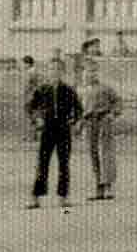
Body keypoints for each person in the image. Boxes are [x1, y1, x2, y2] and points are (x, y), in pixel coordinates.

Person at [28, 54, 83, 209]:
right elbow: (30, 107)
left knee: (64, 163)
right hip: (47, 129)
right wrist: (37, 119)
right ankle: (36, 197)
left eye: (58, 69)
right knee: (42, 163)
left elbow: (79, 109)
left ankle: (63, 196)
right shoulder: (41, 89)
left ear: (63, 72)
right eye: (52, 69)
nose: (55, 72)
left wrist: (75, 121)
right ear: (48, 71)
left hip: (63, 130)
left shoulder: (69, 90)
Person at [79, 61, 122, 200]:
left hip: (103, 121)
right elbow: (79, 109)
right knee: (93, 154)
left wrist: (113, 114)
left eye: (93, 71)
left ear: (97, 73)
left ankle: (108, 186)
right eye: (86, 71)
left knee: (106, 153)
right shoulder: (81, 90)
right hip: (89, 123)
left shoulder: (105, 88)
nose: (89, 74)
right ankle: (98, 187)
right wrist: (79, 123)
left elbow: (118, 101)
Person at [19, 55, 42, 139]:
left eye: (24, 63)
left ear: (27, 63)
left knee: (29, 115)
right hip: (36, 94)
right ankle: (33, 134)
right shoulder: (35, 71)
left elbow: (27, 85)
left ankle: (31, 134)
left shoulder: (30, 72)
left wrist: (24, 93)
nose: (23, 65)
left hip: (30, 95)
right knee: (33, 114)